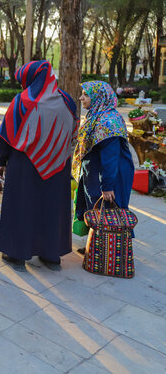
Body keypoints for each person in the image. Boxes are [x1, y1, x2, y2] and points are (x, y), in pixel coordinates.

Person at [0, 60, 78, 271]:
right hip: (58, 166)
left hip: (24, 164)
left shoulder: (24, 100)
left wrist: (2, 161)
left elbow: (7, 134)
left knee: (22, 207)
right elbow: (73, 133)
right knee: (50, 208)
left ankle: (17, 254)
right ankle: (51, 256)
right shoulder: (68, 101)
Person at [73, 81, 134, 253]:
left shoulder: (108, 122)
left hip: (109, 175)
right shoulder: (97, 115)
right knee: (97, 211)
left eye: (85, 94)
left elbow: (111, 157)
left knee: (107, 213)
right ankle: (97, 246)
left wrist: (107, 186)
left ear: (98, 97)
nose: (81, 98)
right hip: (97, 173)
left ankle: (107, 251)